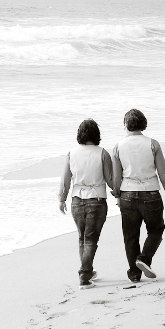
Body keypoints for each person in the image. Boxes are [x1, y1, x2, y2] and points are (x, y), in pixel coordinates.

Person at [111, 109, 165, 283]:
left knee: (130, 235)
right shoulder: (153, 144)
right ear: (143, 123)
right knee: (156, 229)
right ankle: (144, 259)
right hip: (151, 192)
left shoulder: (118, 146)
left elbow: (116, 176)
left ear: (126, 125)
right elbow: (162, 170)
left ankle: (134, 273)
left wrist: (117, 194)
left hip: (127, 193)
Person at [58, 119, 115, 290]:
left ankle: (88, 270)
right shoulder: (102, 153)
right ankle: (84, 275)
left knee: (82, 238)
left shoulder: (71, 153)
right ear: (96, 134)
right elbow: (110, 180)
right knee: (91, 239)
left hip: (76, 200)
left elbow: (65, 180)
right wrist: (120, 191)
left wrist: (61, 199)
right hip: (96, 200)